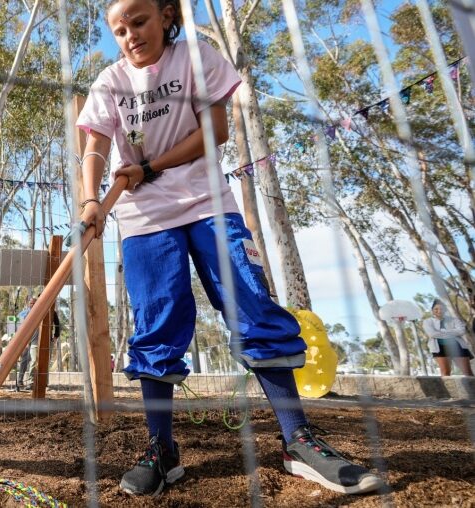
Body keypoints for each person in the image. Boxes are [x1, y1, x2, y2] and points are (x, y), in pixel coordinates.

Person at [77, 0, 384, 496]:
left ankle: (298, 442)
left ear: (166, 17)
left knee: (252, 306)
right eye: (119, 29)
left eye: (139, 21)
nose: (130, 35)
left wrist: (151, 167)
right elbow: (94, 145)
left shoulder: (197, 57)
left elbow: (215, 131)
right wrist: (92, 199)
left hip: (208, 206)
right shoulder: (109, 81)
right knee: (156, 325)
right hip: (144, 219)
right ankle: (162, 449)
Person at [422, 299, 473, 377]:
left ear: (445, 310)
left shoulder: (454, 320)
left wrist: (441, 331)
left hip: (458, 346)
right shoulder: (427, 322)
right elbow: (432, 334)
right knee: (445, 373)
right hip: (439, 348)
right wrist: (453, 332)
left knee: (468, 373)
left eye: (441, 309)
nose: (439, 311)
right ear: (432, 310)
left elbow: (461, 331)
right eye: (436, 309)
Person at [14, 296, 39, 391]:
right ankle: (20, 380)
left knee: (33, 360)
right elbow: (17, 328)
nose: (33, 305)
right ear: (28, 303)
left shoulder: (41, 312)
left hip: (35, 341)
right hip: (25, 340)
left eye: (34, 303)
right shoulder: (22, 314)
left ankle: (32, 382)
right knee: (24, 361)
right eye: (31, 303)